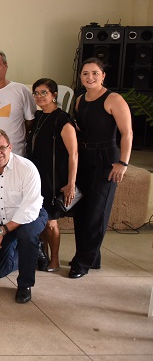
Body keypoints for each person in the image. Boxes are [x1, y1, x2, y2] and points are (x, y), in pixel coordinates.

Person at [69, 58, 133, 279]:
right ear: (81, 77)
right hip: (84, 158)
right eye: (85, 73)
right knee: (81, 211)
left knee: (97, 211)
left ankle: (82, 263)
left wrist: (123, 163)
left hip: (106, 160)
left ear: (103, 75)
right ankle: (90, 257)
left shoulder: (113, 99)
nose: (90, 77)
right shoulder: (80, 100)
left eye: (95, 73)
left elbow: (127, 133)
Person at [0, 129, 47, 303]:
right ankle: (31, 251)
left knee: (26, 235)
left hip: (30, 217)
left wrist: (2, 231)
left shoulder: (27, 168)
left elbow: (29, 208)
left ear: (10, 147)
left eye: (2, 147)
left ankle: (25, 285)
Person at [27, 78, 78, 273]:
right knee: (39, 220)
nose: (39, 96)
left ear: (54, 95)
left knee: (50, 222)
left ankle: (55, 260)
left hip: (53, 179)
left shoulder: (62, 120)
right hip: (36, 177)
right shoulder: (39, 116)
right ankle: (44, 257)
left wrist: (71, 183)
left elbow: (74, 154)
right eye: (36, 93)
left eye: (44, 92)